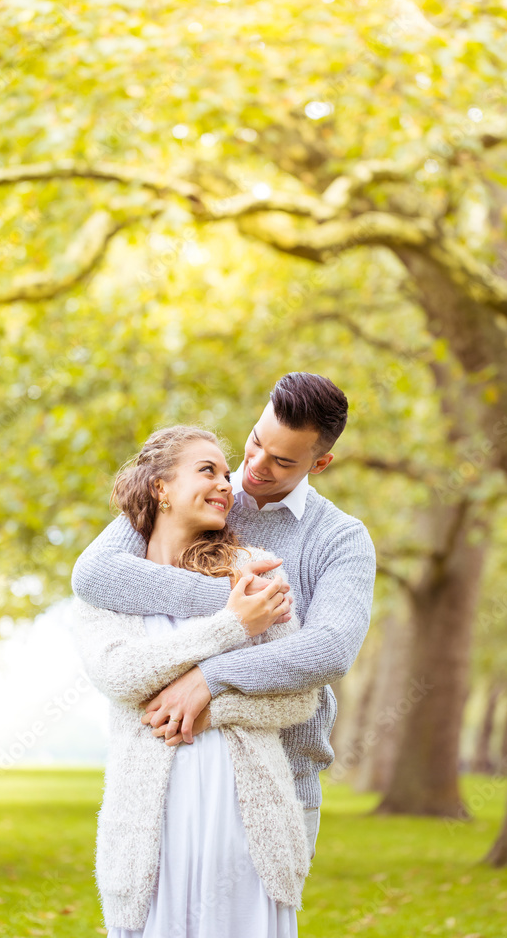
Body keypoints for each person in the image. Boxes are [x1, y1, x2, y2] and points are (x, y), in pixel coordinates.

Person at [72, 372, 377, 877]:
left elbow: (329, 650)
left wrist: (209, 681)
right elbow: (96, 573)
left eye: (282, 461)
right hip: (166, 767)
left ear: (319, 463)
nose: (253, 467)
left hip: (278, 778)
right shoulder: (189, 495)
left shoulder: (339, 538)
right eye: (256, 442)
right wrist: (232, 606)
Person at [70, 424, 322, 937]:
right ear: (160, 487)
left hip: (246, 827)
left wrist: (209, 705)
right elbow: (121, 675)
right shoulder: (111, 579)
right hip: (154, 826)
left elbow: (299, 696)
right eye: (207, 469)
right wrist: (230, 625)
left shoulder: (254, 572)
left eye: (228, 474)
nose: (227, 483)